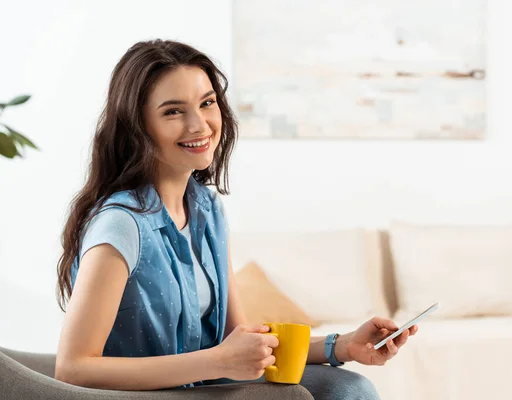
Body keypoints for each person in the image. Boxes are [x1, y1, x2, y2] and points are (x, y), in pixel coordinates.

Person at [54, 39, 418, 399]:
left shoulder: (206, 209)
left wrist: (342, 346)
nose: (200, 125)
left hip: (202, 388)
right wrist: (216, 363)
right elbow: (73, 368)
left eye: (207, 103)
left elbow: (238, 338)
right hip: (142, 395)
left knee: (350, 388)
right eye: (173, 111)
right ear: (137, 127)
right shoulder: (121, 224)